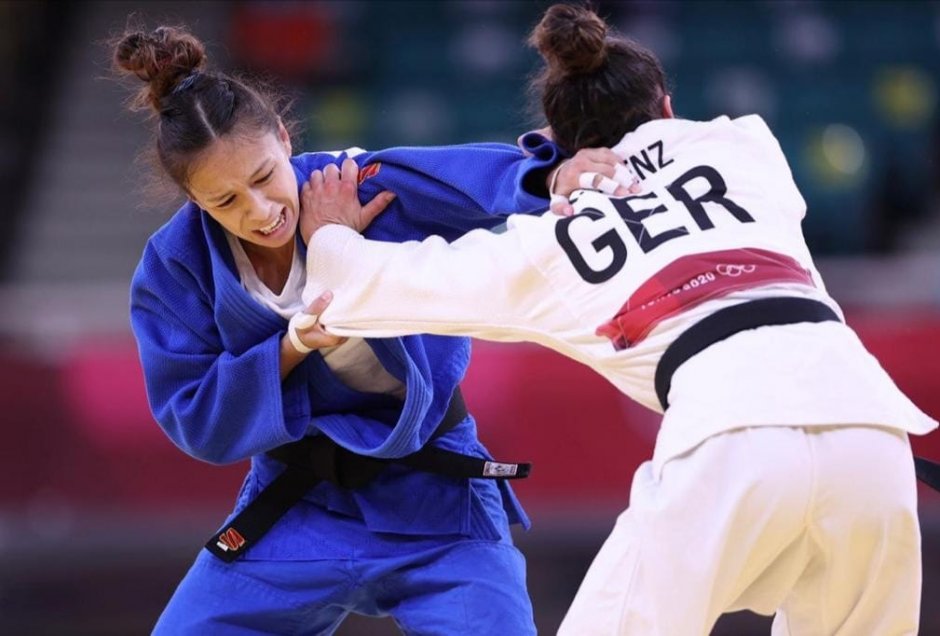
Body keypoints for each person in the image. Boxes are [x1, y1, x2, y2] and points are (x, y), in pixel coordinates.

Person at [297, 4, 938, 635]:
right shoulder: (745, 147)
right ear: (665, 104)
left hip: (727, 437)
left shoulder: (548, 244)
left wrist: (329, 238)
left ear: (553, 145)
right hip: (870, 429)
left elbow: (371, 289)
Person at [112, 22, 631, 636]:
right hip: (298, 506)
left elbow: (461, 180)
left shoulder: (350, 186)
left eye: (263, 177)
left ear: (284, 138)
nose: (259, 211)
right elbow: (195, 415)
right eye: (223, 202)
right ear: (192, 199)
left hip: (437, 498)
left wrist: (549, 175)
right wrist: (294, 344)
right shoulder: (175, 267)